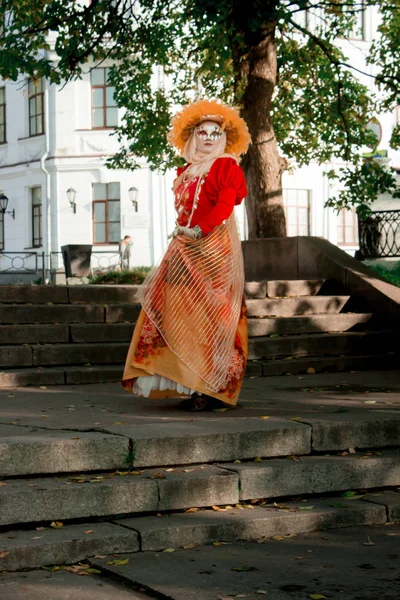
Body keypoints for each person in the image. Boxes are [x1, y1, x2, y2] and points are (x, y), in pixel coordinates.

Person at [122, 99, 251, 411]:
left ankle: (209, 390)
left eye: (215, 132)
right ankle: (189, 383)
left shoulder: (226, 167)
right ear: (192, 136)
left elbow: (225, 204)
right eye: (201, 131)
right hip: (182, 250)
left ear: (224, 138)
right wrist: (186, 233)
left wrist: (199, 230)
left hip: (213, 250)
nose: (208, 137)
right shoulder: (186, 171)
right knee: (179, 314)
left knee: (212, 316)